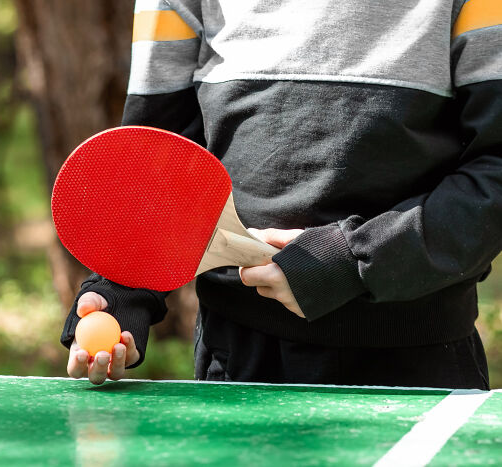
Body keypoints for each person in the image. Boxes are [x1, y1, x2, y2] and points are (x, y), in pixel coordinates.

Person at [61, 0, 501, 389]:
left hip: (419, 360)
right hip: (235, 364)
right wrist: (123, 289)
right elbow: (157, 160)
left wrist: (355, 261)